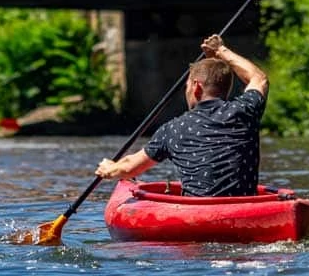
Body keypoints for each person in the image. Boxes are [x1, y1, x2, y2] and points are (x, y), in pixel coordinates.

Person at [95, 34, 268, 197]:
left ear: (196, 87)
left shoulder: (173, 129)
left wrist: (109, 169)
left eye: (187, 87)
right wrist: (222, 51)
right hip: (244, 212)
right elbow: (259, 78)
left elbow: (129, 168)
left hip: (197, 218)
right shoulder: (244, 111)